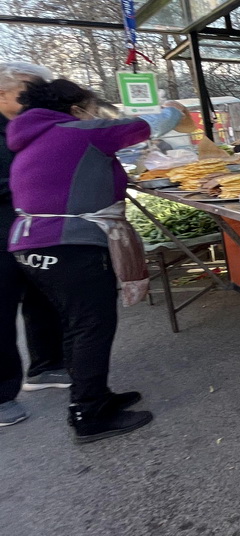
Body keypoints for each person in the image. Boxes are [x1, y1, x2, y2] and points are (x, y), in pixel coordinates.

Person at [6, 79, 192, 443]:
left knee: (77, 325)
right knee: (92, 326)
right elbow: (152, 125)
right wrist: (174, 109)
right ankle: (88, 413)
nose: (95, 115)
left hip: (31, 244)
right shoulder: (78, 132)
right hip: (68, 244)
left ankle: (97, 397)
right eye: (92, 108)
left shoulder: (33, 137)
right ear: (76, 109)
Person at [0, 62, 69, 428]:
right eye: (27, 93)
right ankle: (1, 393)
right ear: (3, 93)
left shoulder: (29, 127)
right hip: (3, 230)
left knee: (42, 299)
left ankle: (46, 366)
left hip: (36, 231)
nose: (34, 100)